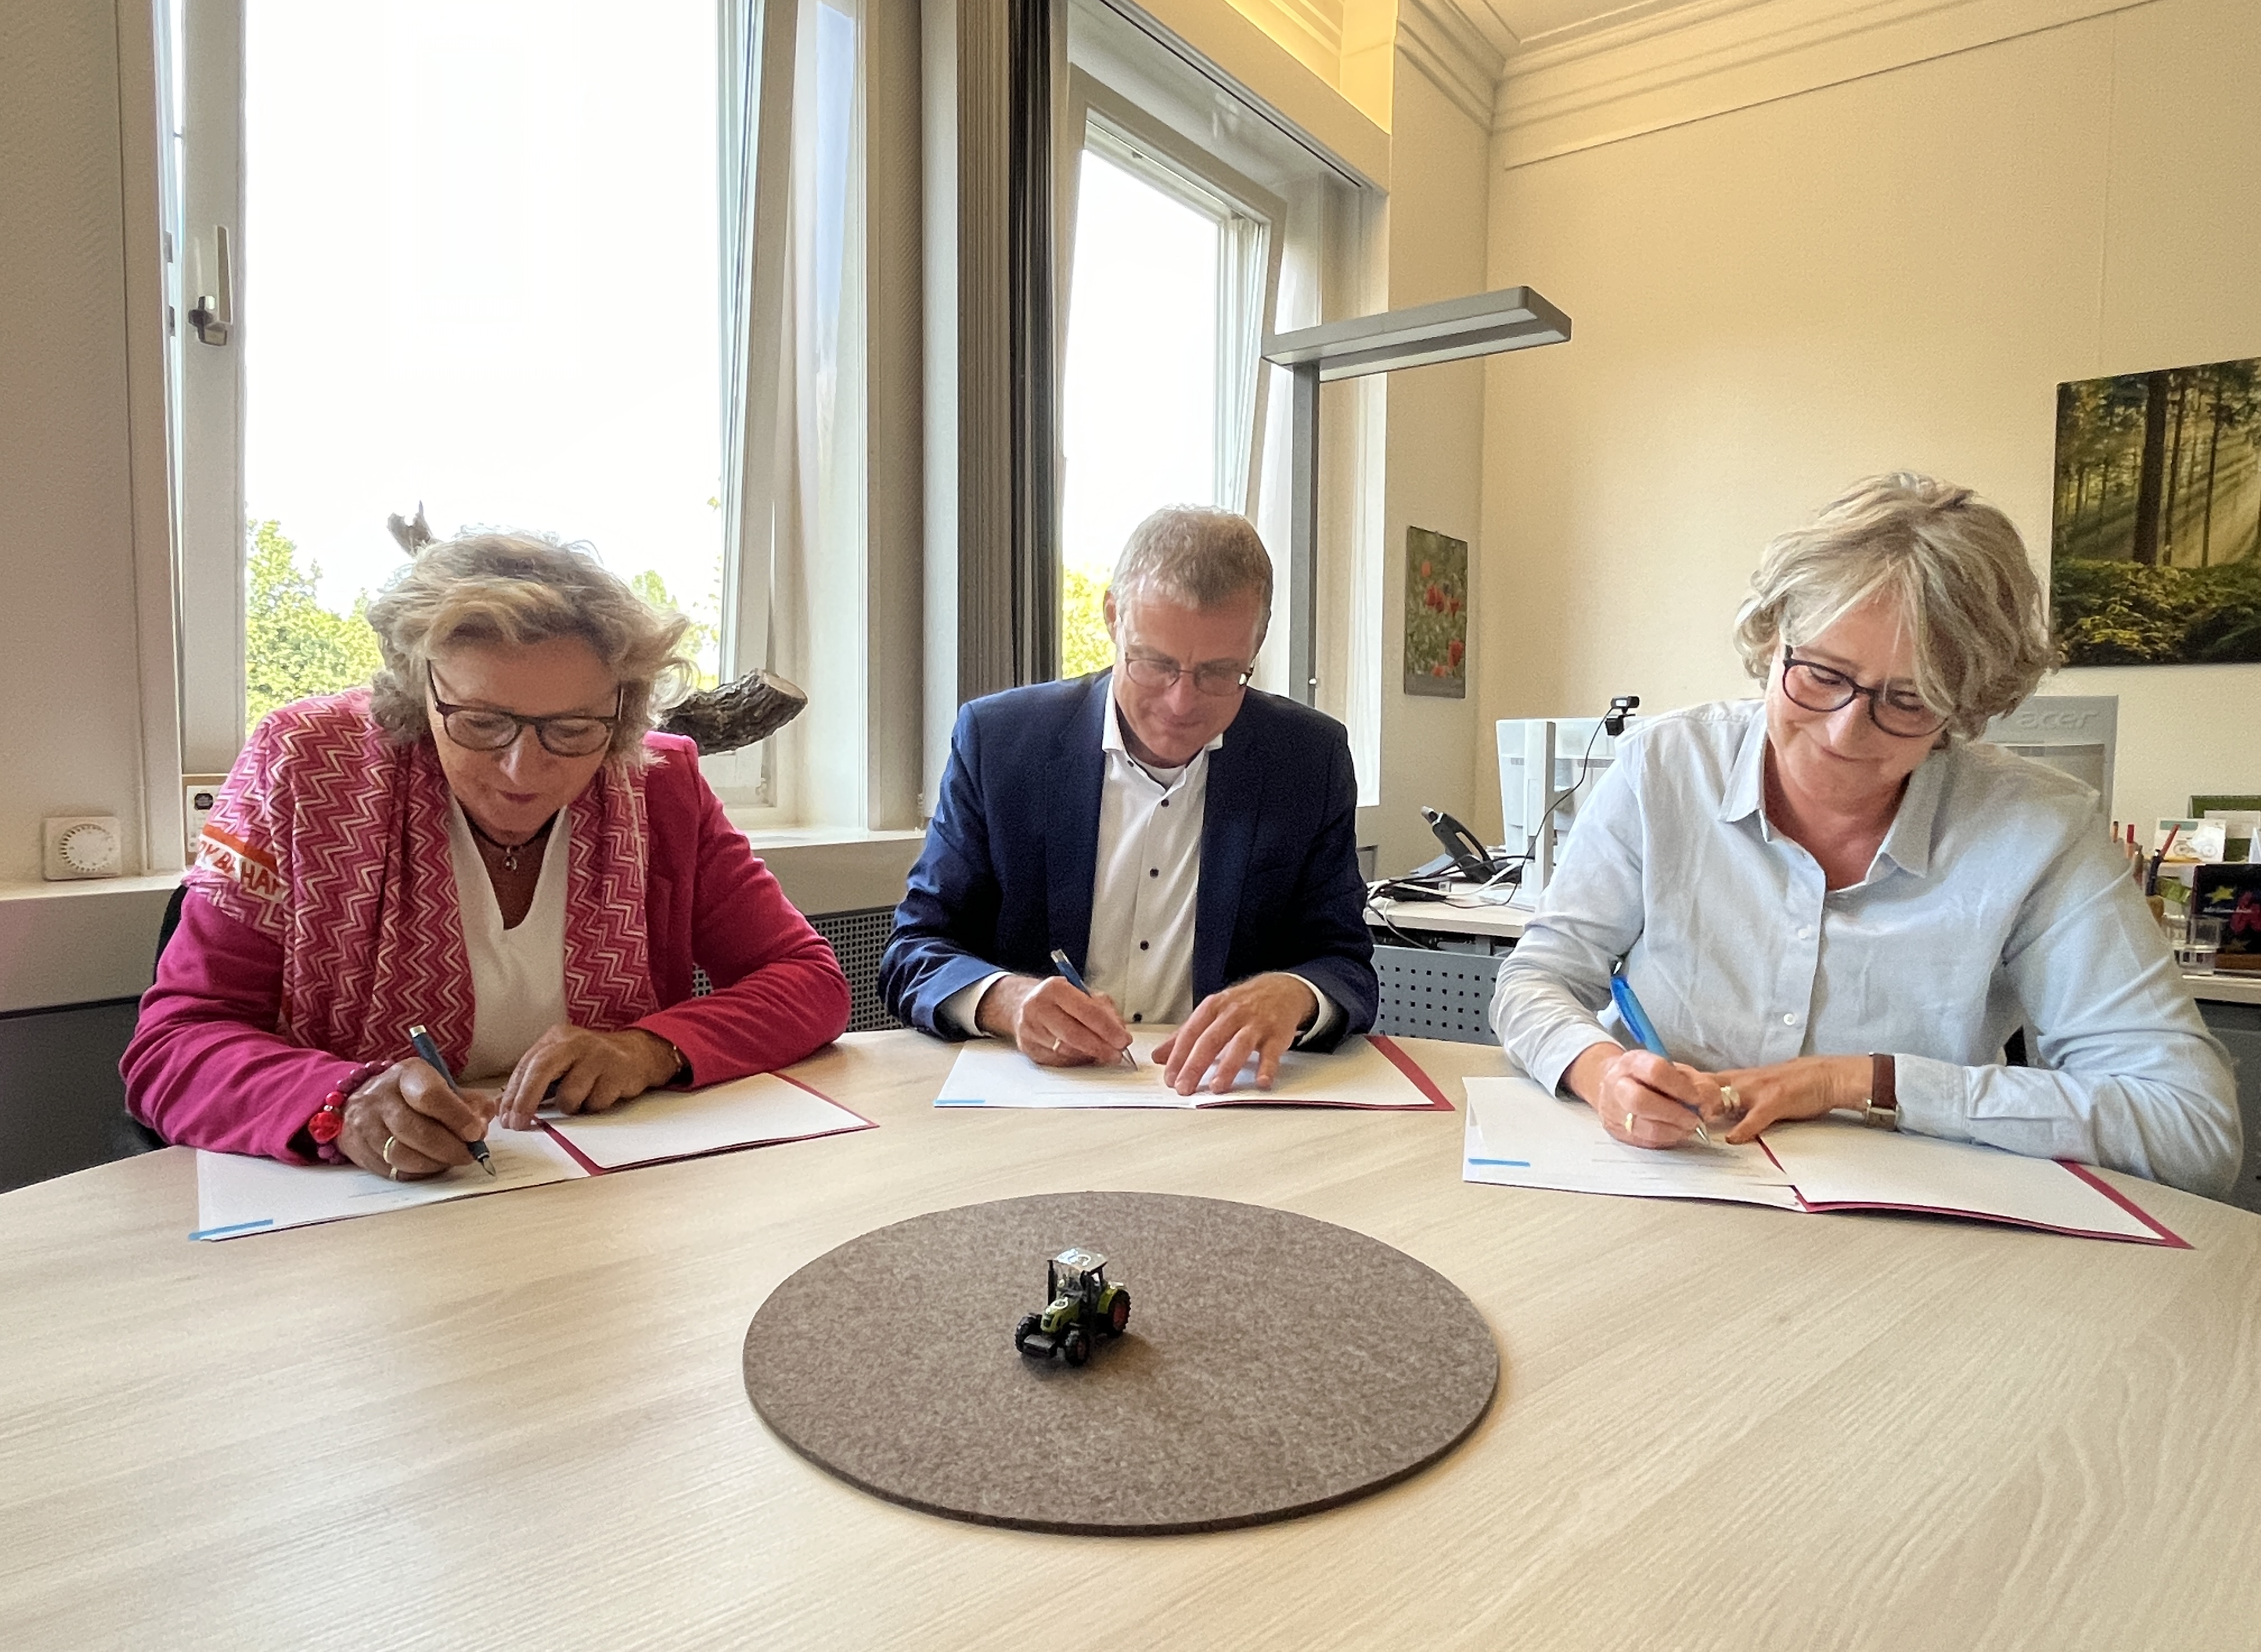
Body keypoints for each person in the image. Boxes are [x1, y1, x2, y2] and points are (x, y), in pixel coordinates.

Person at [1492, 473, 2240, 1197]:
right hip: (1664, 1188)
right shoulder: (1667, 766)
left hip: (1904, 1241)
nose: (1845, 732)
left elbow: (2195, 1129)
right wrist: (1601, 1070)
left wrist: (1860, 1081)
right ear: (1774, 640)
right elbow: (1540, 979)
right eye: (1819, 673)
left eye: (1910, 700)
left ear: (1967, 707)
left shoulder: (2040, 831)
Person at [124, 532, 851, 1178]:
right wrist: (341, 1103)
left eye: (571, 730)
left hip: (605, 1201)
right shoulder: (302, 767)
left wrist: (646, 1049)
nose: (520, 771)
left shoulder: (660, 787)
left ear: (621, 718)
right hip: (349, 1221)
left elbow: (808, 981)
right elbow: (176, 1045)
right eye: (479, 722)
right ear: (420, 694)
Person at [880, 506, 1377, 1095]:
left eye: (1220, 673)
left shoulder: (1307, 757)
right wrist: (1007, 1002)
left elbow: (1345, 964)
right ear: (1114, 618)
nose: (1180, 702)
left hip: (1225, 1100)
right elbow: (914, 952)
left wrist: (1295, 995)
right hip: (1031, 1102)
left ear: (1256, 644)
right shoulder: (1002, 742)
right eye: (1155, 663)